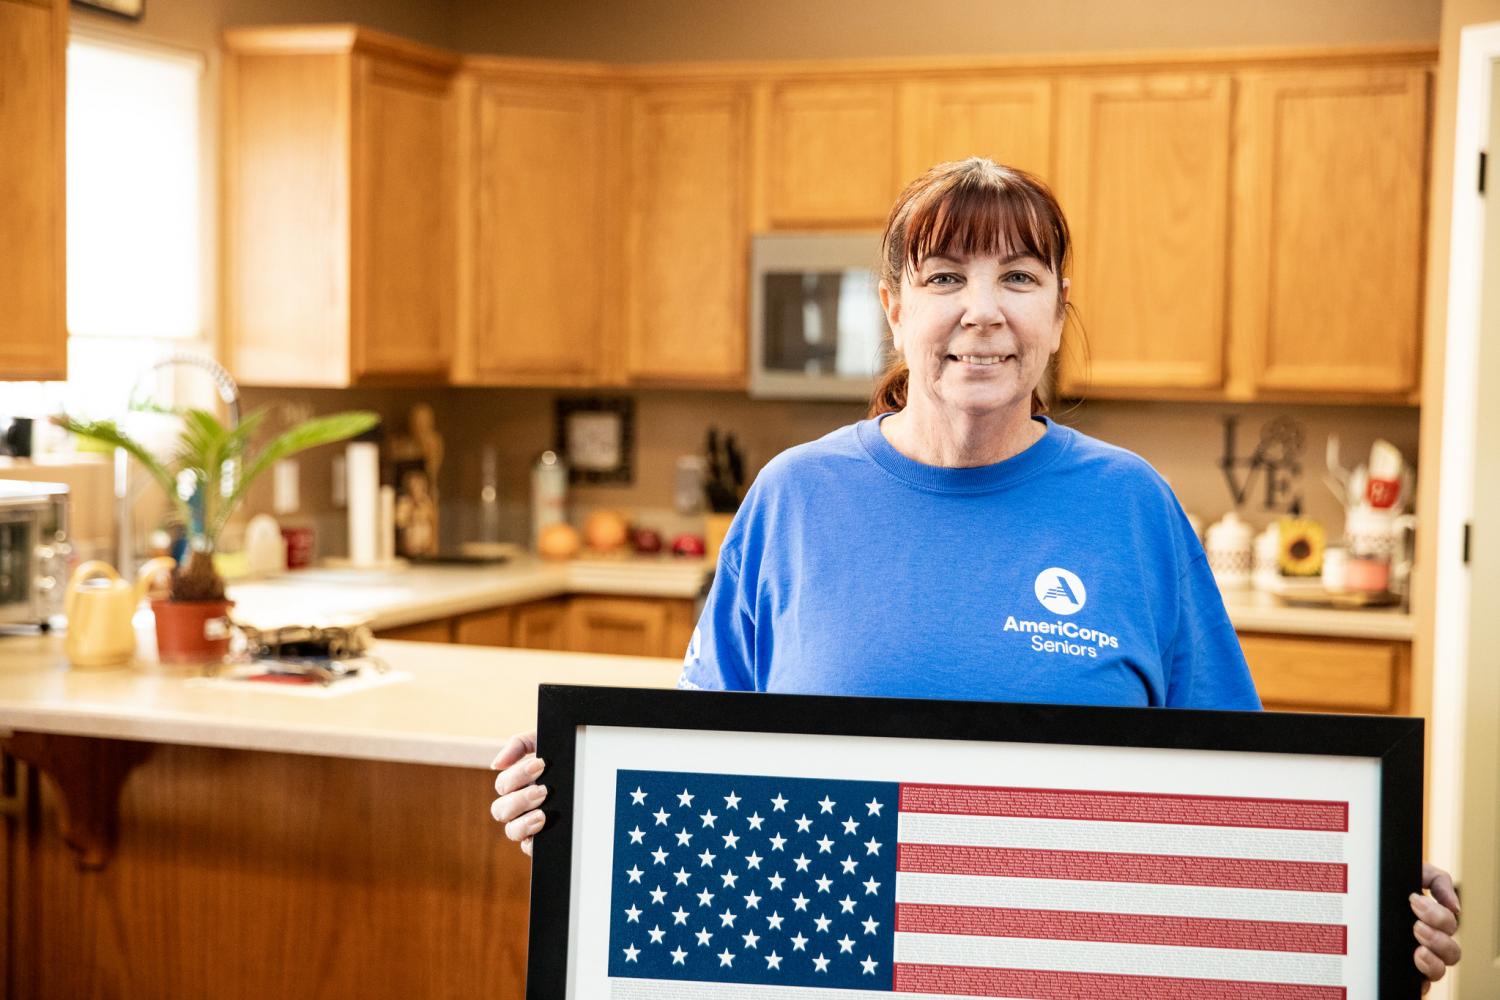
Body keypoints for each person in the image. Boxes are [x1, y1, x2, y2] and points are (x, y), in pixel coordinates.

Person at [491, 158, 1460, 987]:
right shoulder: (791, 501)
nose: (983, 312)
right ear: (894, 307)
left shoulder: (1135, 508)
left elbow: (1243, 821)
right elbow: (693, 785)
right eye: (947, 275)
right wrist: (583, 820)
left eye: (1021, 277)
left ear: (1059, 307)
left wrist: (1375, 918)